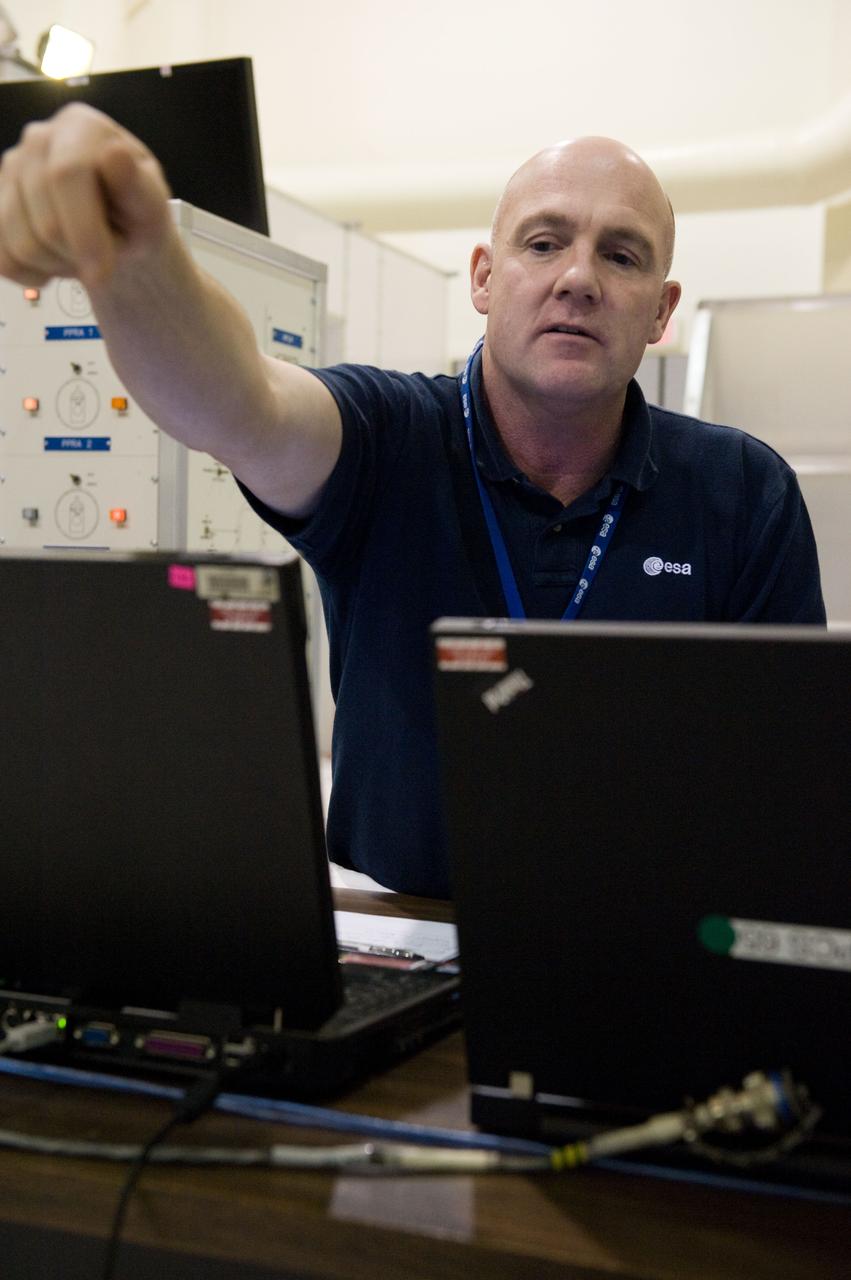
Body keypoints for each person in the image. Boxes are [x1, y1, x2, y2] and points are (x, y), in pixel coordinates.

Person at [0, 109, 825, 897]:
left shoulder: (740, 491)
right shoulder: (388, 438)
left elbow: (793, 788)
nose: (577, 278)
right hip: (402, 935)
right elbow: (235, 400)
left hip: (650, 954)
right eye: (543, 243)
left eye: (621, 255)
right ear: (483, 277)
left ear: (660, 311)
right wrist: (138, 253)